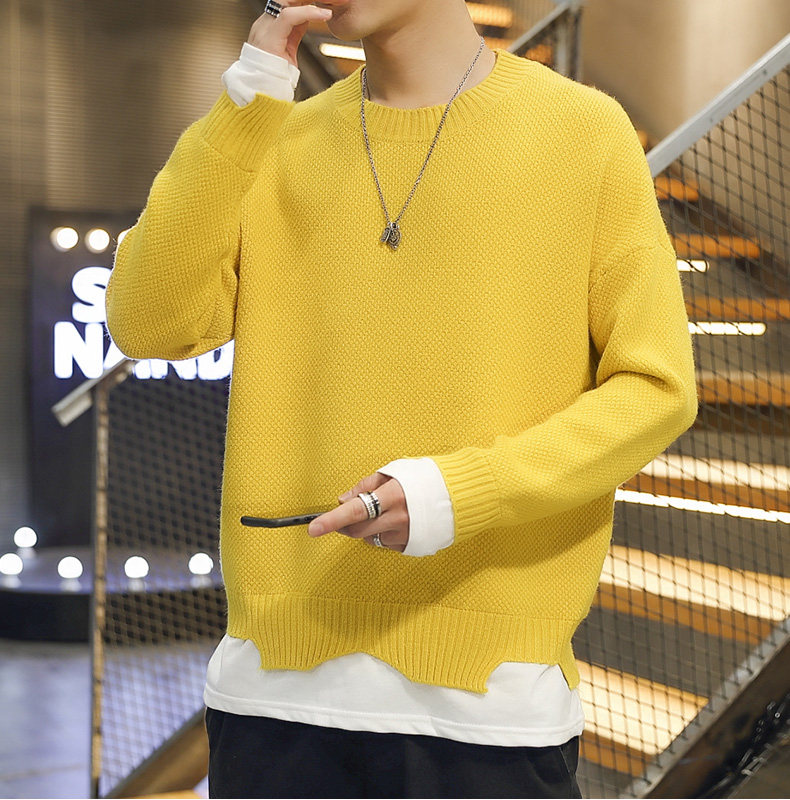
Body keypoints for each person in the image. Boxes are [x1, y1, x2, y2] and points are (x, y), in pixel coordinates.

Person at [104, 0, 699, 797]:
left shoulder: (581, 131)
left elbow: (656, 390)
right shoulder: (272, 135)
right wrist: (249, 96)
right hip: (272, 696)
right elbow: (149, 323)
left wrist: (460, 492)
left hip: (487, 710)